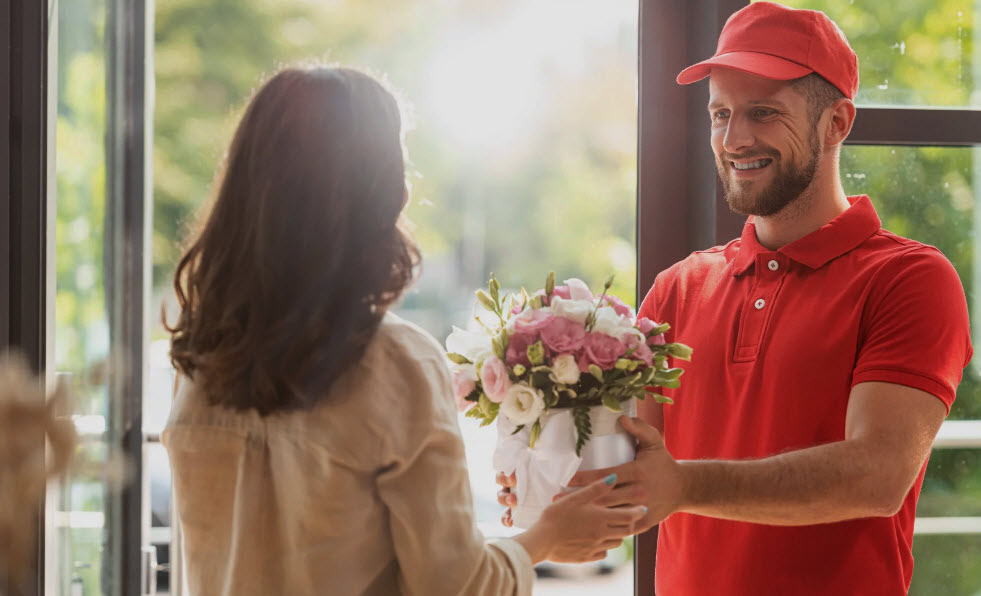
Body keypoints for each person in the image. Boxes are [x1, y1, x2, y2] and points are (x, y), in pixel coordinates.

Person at [499, 3, 973, 594]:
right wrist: (542, 467)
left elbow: (877, 476)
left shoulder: (909, 279)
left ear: (837, 123)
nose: (734, 137)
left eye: (763, 113)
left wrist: (685, 485)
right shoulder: (678, 287)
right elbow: (633, 468)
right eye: (720, 113)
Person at [162, 65, 645, 596]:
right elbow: (456, 586)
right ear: (378, 192)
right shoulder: (394, 362)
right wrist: (547, 537)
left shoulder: (200, 363)